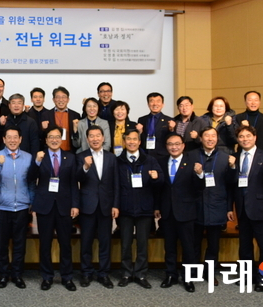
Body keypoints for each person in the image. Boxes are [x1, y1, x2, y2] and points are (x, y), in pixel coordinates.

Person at [28, 126, 79, 291]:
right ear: (46, 139)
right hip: (45, 206)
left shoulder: (70, 157)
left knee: (65, 244)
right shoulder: (39, 156)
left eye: (57, 136)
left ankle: (67, 277)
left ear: (61, 139)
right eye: (51, 137)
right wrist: (36, 162)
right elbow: (30, 178)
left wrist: (75, 205)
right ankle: (47, 277)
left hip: (65, 206)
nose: (54, 140)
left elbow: (73, 183)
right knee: (45, 244)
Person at [232, 125, 263, 292]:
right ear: (238, 140)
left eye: (248, 136)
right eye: (241, 137)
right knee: (245, 246)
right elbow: (231, 183)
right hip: (242, 208)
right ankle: (247, 276)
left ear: (255, 137)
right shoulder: (235, 158)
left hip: (260, 208)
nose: (245, 139)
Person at [0, 127, 34, 289]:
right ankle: (3, 274)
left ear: (20, 139)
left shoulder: (28, 157)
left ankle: (17, 274)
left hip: (21, 207)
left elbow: (31, 182)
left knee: (20, 244)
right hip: (2, 207)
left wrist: (31, 202)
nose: (12, 140)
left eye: (15, 137)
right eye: (9, 137)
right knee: (2, 244)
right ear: (4, 139)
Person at [116, 129, 163, 289]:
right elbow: (114, 186)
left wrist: (156, 178)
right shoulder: (118, 161)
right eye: (128, 139)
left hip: (145, 208)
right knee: (126, 244)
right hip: (125, 209)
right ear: (124, 141)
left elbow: (160, 183)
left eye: (134, 139)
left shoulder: (150, 160)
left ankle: (141, 274)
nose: (131, 142)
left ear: (139, 141)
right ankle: (126, 273)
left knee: (142, 244)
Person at [157, 134, 205, 293]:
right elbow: (159, 188)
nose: (174, 147)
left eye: (177, 144)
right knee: (169, 246)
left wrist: (200, 174)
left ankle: (188, 278)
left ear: (183, 145)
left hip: (186, 211)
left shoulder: (192, 162)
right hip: (167, 211)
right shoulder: (161, 162)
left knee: (188, 247)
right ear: (166, 146)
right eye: (170, 144)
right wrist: (157, 207)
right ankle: (170, 275)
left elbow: (199, 188)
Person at [191, 127, 237, 287]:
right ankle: (194, 272)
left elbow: (231, 184)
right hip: (196, 205)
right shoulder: (191, 155)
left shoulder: (226, 157)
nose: (210, 139)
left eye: (213, 136)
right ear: (201, 138)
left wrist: (229, 208)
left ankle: (209, 272)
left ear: (217, 139)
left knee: (213, 244)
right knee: (194, 242)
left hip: (217, 205)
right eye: (206, 136)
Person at [77, 125, 119, 289]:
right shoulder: (81, 156)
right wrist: (85, 167)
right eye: (91, 136)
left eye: (97, 136)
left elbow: (116, 183)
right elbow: (76, 178)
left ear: (103, 138)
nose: (95, 139)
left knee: (105, 242)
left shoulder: (111, 157)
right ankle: (86, 273)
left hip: (106, 206)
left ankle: (104, 274)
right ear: (87, 139)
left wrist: (115, 205)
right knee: (86, 242)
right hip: (87, 206)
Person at [137, 92, 175, 160]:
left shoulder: (169, 120)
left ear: (163, 104)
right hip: (145, 155)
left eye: (158, 101)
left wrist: (171, 129)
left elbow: (173, 139)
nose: (155, 104)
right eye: (152, 101)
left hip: (162, 156)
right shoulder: (142, 119)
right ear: (148, 104)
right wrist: (139, 132)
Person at [45, 86, 81, 153]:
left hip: (70, 152)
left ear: (68, 99)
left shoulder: (76, 115)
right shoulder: (46, 115)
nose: (61, 100)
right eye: (58, 97)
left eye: (64, 97)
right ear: (53, 99)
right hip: (52, 152)